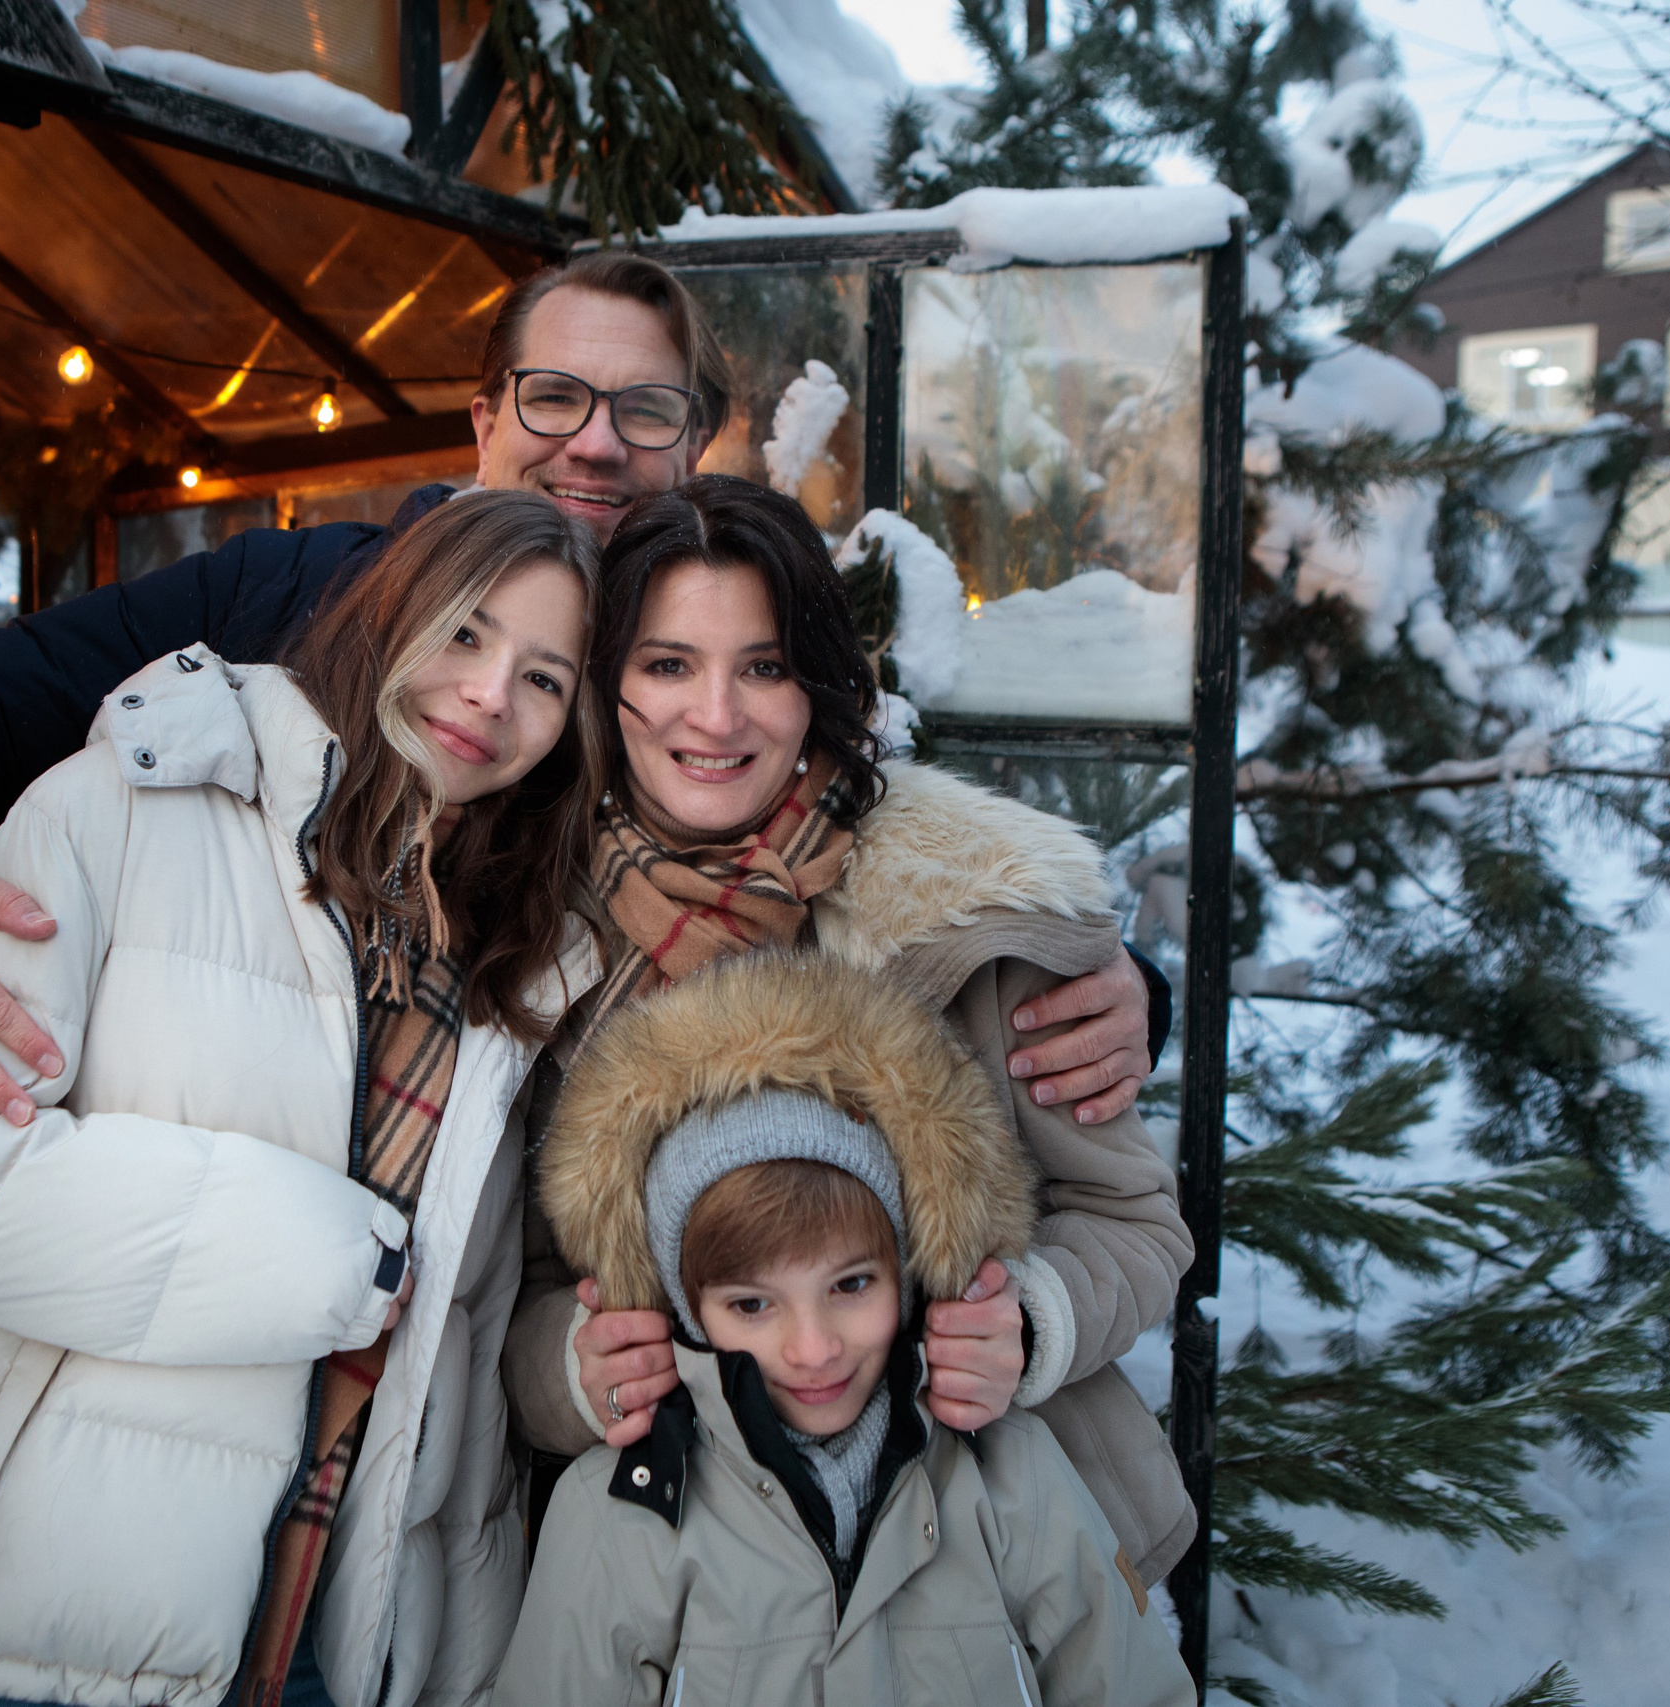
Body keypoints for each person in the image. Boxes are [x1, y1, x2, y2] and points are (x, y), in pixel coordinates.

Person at [0, 252, 1159, 1173]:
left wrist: (1087, 978)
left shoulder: (710, 686)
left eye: (644, 409)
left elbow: (877, 853)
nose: (595, 441)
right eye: (554, 395)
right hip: (199, 1221)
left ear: (692, 444)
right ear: (483, 418)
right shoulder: (296, 590)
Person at [0, 492, 605, 1707]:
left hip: (329, 1641)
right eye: (463, 631)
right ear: (386, 614)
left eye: (544, 678)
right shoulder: (123, 804)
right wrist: (314, 1253)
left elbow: (472, 1338)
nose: (492, 693)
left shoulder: (521, 953)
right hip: (33, 1626)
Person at [504, 476, 1195, 1585]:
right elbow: (515, 1288)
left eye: (764, 667)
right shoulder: (534, 939)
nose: (716, 716)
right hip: (679, 1584)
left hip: (995, 1561)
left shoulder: (963, 905)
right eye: (668, 664)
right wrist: (569, 1368)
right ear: (607, 682)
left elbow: (1134, 1223)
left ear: (820, 683)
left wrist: (1032, 1322)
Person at [497, 952, 1193, 1707]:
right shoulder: (620, 1516)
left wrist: (1024, 1320)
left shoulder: (1014, 1481)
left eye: (852, 1285)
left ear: (907, 1267)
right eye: (752, 1305)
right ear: (688, 1306)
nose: (814, 1348)